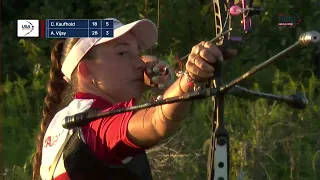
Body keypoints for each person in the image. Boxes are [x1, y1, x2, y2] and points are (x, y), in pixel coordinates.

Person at [32, 18, 236, 180]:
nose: (138, 63)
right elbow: (157, 122)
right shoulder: (95, 124)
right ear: (86, 71)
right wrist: (190, 79)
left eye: (138, 53)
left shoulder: (68, 118)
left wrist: (154, 69)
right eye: (122, 53)